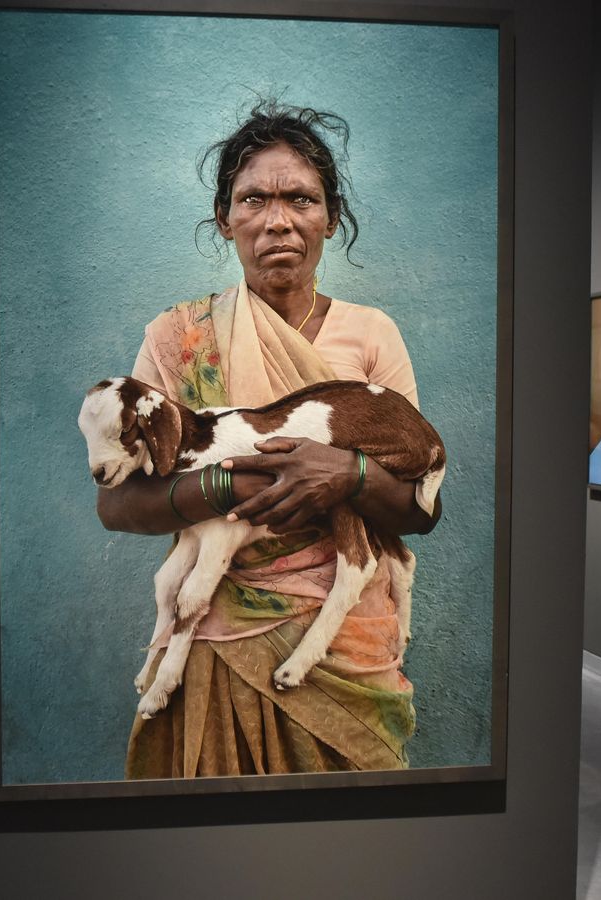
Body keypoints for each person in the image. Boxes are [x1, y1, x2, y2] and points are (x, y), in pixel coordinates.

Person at [97, 101, 442, 777]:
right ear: (225, 219)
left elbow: (419, 510)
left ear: (330, 218)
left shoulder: (372, 338)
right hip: (215, 635)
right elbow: (118, 504)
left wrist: (350, 475)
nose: (278, 219)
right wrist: (232, 484)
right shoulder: (179, 339)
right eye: (253, 198)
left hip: (347, 644)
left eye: (301, 199)